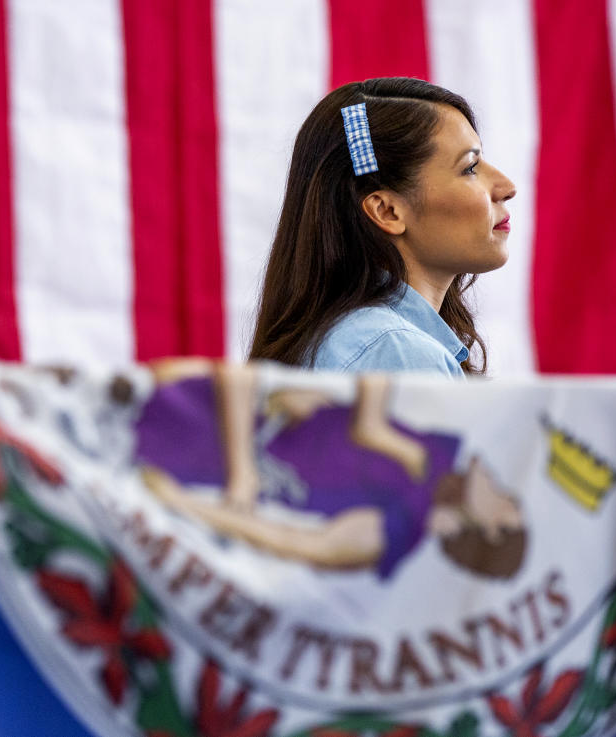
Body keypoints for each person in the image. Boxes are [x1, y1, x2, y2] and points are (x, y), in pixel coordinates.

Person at [136, 361, 527, 579]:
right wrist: (337, 409)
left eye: (507, 502)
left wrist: (181, 503)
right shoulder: (443, 452)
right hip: (250, 410)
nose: (504, 488)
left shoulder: (399, 526)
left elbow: (294, 542)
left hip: (213, 452)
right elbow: (376, 368)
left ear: (492, 531)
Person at [249, 78, 516, 377]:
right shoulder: (400, 353)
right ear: (386, 211)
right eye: (469, 167)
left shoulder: (347, 339)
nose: (507, 187)